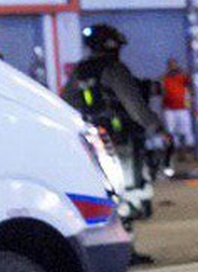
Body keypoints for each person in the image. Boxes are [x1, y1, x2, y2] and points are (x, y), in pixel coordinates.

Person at [62, 23, 165, 244]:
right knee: (129, 192)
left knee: (107, 193)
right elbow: (134, 105)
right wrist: (156, 127)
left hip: (95, 144)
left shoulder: (81, 71)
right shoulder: (114, 69)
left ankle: (116, 243)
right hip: (121, 141)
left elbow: (66, 103)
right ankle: (127, 247)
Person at [160, 58, 192, 175]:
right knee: (170, 133)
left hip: (182, 109)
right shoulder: (165, 78)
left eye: (174, 64)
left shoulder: (182, 77)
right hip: (169, 109)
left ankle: (183, 154)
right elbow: (161, 91)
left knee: (184, 133)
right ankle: (170, 156)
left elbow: (191, 85)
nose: (172, 66)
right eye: (170, 65)